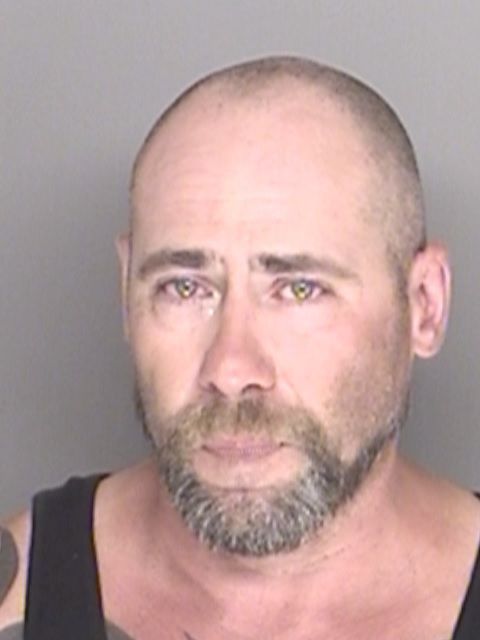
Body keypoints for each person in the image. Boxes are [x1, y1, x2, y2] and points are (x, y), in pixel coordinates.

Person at [0, 55, 479, 640]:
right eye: (185, 287)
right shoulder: (15, 599)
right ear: (127, 294)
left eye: (299, 289)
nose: (231, 370)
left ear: (425, 305)